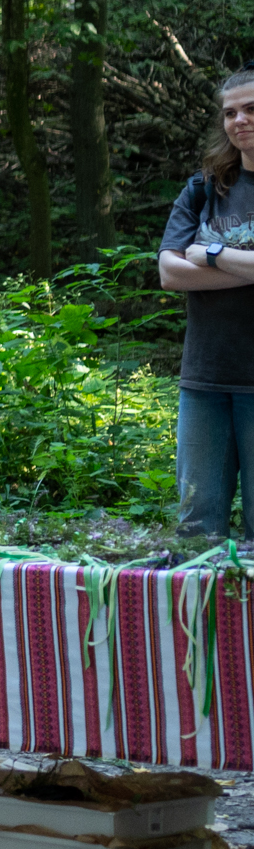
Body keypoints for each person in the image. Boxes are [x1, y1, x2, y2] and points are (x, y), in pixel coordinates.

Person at [159, 68, 254, 541]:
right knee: (196, 534)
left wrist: (215, 253)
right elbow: (170, 272)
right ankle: (197, 619)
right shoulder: (203, 188)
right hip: (206, 380)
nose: (240, 120)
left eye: (251, 108)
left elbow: (192, 262)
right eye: (230, 112)